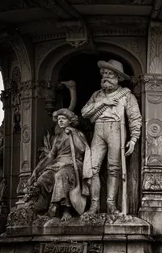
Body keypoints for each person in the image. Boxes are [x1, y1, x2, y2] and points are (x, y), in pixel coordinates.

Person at [81, 59, 142, 214]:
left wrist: (134, 139)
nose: (105, 77)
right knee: (92, 168)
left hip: (116, 130)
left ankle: (111, 204)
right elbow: (84, 112)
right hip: (99, 130)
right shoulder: (97, 95)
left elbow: (135, 118)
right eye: (104, 74)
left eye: (110, 74)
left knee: (114, 169)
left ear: (118, 78)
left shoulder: (126, 95)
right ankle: (94, 205)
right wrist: (104, 102)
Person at [26, 109, 90, 220]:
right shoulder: (57, 137)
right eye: (59, 119)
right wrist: (36, 170)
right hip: (57, 164)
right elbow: (51, 156)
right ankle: (44, 205)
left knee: (60, 175)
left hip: (73, 164)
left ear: (70, 121)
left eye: (63, 119)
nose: (60, 121)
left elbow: (83, 149)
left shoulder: (78, 133)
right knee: (43, 179)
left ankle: (65, 209)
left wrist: (74, 134)